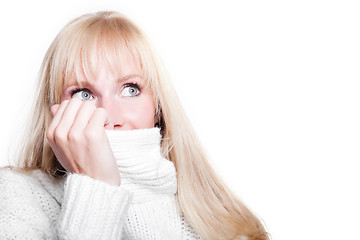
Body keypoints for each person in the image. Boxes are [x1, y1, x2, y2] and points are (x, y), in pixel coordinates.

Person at [0, 11, 269, 240]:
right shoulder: (20, 196)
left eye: (130, 89)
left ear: (158, 109)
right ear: (54, 110)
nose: (109, 116)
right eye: (84, 94)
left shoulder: (225, 224)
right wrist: (96, 186)